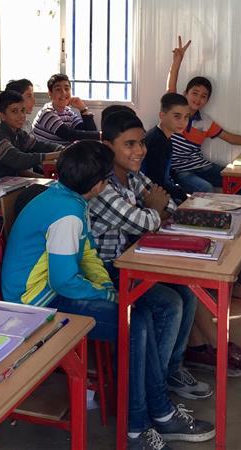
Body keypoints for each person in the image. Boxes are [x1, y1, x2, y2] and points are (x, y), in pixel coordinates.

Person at [2, 141, 214, 448]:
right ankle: (138, 427)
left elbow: (87, 255)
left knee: (137, 313)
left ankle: (160, 411)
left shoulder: (69, 198)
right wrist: (109, 297)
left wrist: (109, 290)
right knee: (134, 321)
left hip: (51, 291)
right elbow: (64, 282)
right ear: (99, 183)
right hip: (37, 304)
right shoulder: (66, 215)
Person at [89, 110, 211, 401]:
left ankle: (170, 369)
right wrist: (153, 209)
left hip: (130, 259)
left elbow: (165, 203)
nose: (139, 150)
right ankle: (151, 382)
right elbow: (143, 220)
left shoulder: (132, 176)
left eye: (141, 143)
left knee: (186, 290)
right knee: (168, 304)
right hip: (105, 271)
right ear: (109, 148)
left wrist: (156, 208)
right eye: (129, 144)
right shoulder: (103, 186)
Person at [166, 37, 241, 194]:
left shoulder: (205, 122)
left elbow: (231, 138)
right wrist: (177, 60)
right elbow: (171, 85)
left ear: (207, 100)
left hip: (202, 166)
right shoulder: (174, 111)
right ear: (185, 93)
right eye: (195, 93)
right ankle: (210, 218)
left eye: (203, 96)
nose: (198, 99)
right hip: (179, 171)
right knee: (206, 188)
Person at [0, 89, 62, 184]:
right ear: (2, 116)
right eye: (14, 111)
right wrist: (57, 154)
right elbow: (19, 160)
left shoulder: (19, 133)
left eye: (23, 110)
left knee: (52, 185)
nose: (21, 115)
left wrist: (62, 149)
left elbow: (41, 146)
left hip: (10, 182)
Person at [142, 92, 190, 204]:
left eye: (186, 117)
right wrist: (184, 198)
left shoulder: (165, 137)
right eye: (177, 116)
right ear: (162, 115)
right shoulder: (157, 141)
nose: (183, 122)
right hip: (151, 195)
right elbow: (157, 182)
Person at [31, 74, 100, 145]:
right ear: (50, 93)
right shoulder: (47, 112)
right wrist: (101, 135)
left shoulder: (68, 112)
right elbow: (68, 134)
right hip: (48, 154)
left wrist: (83, 109)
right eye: (58, 89)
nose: (63, 93)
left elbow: (89, 131)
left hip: (62, 152)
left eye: (66, 89)